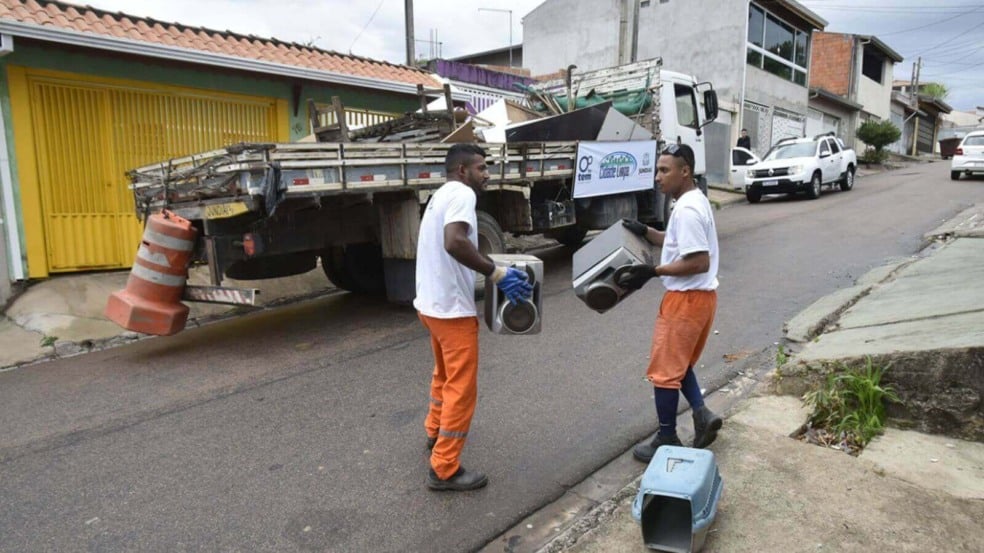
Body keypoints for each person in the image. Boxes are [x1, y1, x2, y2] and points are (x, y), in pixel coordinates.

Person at [414, 143, 533, 491]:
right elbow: (454, 242)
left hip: (430, 306)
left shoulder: (440, 195)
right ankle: (445, 468)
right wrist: (495, 273)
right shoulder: (462, 195)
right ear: (463, 170)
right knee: (461, 389)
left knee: (443, 376)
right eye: (481, 167)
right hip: (450, 311)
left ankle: (434, 432)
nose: (487, 174)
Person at [618, 143, 724, 463]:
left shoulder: (688, 209)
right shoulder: (692, 201)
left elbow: (698, 261)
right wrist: (647, 231)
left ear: (685, 171)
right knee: (679, 365)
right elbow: (678, 241)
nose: (657, 177)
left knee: (664, 373)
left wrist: (653, 271)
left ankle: (667, 437)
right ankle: (702, 415)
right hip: (701, 300)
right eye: (657, 170)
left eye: (665, 170)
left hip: (686, 300)